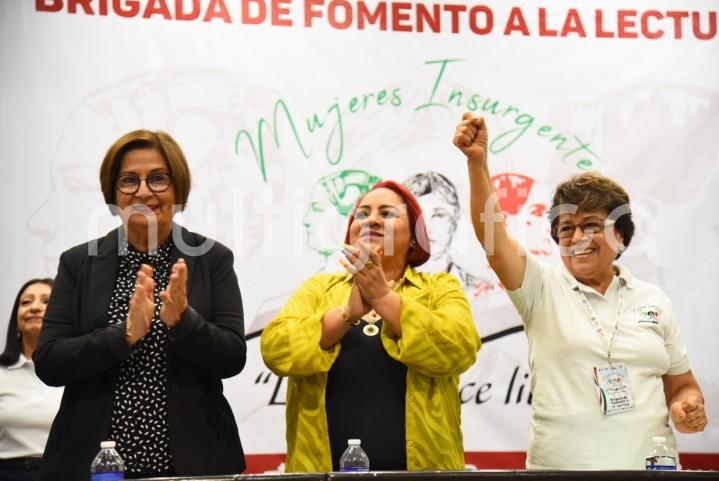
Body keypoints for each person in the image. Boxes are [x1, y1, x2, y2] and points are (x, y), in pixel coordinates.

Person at [453, 112, 708, 469]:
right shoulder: (540, 287)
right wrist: (477, 163)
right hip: (560, 471)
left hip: (652, 469)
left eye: (590, 225)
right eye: (565, 228)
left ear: (620, 236)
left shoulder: (654, 300)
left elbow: (682, 386)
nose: (575, 238)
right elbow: (491, 237)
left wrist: (687, 406)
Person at [34, 130, 246, 480]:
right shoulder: (78, 262)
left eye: (158, 179)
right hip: (92, 462)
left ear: (178, 190)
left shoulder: (212, 258)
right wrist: (123, 334)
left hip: (194, 462)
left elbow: (233, 357)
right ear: (113, 194)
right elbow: (50, 362)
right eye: (129, 180)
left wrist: (183, 322)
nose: (144, 192)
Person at [261, 180, 481, 472]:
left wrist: (382, 297)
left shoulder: (440, 288)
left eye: (387, 213)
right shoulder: (318, 290)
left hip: (423, 474)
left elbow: (459, 348)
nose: (372, 219)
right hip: (321, 474)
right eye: (362, 214)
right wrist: (346, 314)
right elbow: (276, 349)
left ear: (415, 237)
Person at [0, 278, 61, 481]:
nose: (35, 307)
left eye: (46, 301)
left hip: (63, 472)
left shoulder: (79, 371)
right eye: (26, 302)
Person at [402, 171, 495, 297]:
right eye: (417, 216)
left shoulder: (480, 290)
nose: (426, 227)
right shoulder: (380, 292)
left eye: (438, 215)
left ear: (455, 220)